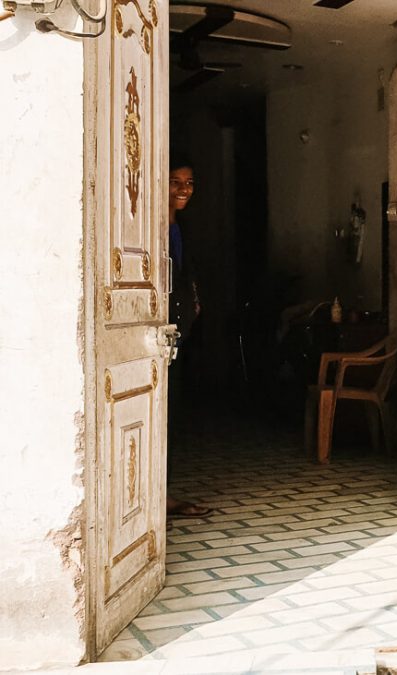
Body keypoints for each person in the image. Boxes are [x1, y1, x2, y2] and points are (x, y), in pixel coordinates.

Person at [165, 154, 212, 518]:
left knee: (168, 416)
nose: (183, 189)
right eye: (175, 181)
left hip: (175, 336)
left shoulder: (182, 228)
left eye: (189, 183)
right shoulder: (147, 227)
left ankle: (159, 496)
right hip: (154, 334)